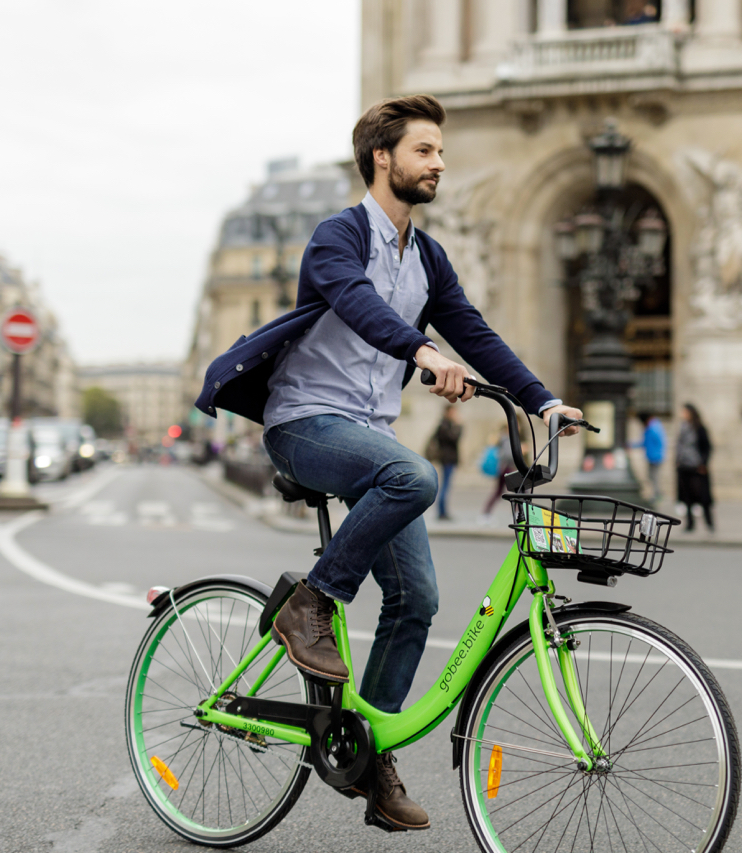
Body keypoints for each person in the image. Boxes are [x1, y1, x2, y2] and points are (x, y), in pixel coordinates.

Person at [193, 95, 582, 831]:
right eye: (425, 150)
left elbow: (473, 328)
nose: (439, 163)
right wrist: (421, 349)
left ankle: (368, 759)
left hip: (366, 430)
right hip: (305, 422)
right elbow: (360, 305)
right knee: (414, 475)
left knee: (418, 601)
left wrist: (543, 399)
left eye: (439, 151)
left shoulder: (427, 254)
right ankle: (310, 602)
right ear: (384, 157)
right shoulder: (337, 238)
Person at [675, 403, 714, 532]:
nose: (683, 415)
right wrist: (677, 462)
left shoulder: (699, 428)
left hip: (697, 467)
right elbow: (679, 446)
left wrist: (703, 463)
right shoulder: (682, 427)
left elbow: (707, 447)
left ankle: (709, 523)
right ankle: (690, 524)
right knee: (687, 497)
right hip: (684, 466)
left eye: (685, 412)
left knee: (703, 497)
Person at [428, 405, 461, 521]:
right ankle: (442, 512)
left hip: (447, 459)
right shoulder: (445, 426)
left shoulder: (444, 425)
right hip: (447, 459)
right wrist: (458, 426)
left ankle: (443, 511)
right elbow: (454, 438)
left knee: (446, 485)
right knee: (445, 486)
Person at [631, 411, 667, 504]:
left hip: (655, 457)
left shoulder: (653, 428)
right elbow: (645, 443)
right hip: (652, 456)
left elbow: (659, 442)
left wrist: (658, 454)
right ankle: (657, 494)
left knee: (654, 477)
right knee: (651, 477)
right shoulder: (653, 426)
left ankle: (657, 495)